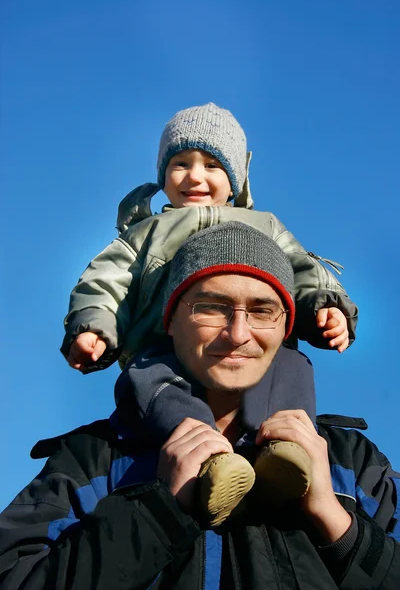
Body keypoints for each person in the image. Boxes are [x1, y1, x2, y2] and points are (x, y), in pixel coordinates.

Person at [1, 223, 398, 589]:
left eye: (261, 311)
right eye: (211, 307)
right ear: (171, 319)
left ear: (285, 327)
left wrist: (335, 520)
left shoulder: (351, 463)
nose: (238, 334)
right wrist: (156, 513)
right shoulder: (95, 462)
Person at [59, 103, 358, 502]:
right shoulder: (144, 234)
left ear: (236, 179)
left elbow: (302, 269)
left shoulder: (264, 226)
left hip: (251, 353)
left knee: (292, 368)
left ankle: (287, 451)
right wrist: (94, 325)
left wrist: (327, 306)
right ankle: (209, 462)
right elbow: (106, 281)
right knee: (148, 383)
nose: (195, 176)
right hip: (161, 352)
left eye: (212, 165)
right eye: (180, 163)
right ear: (162, 176)